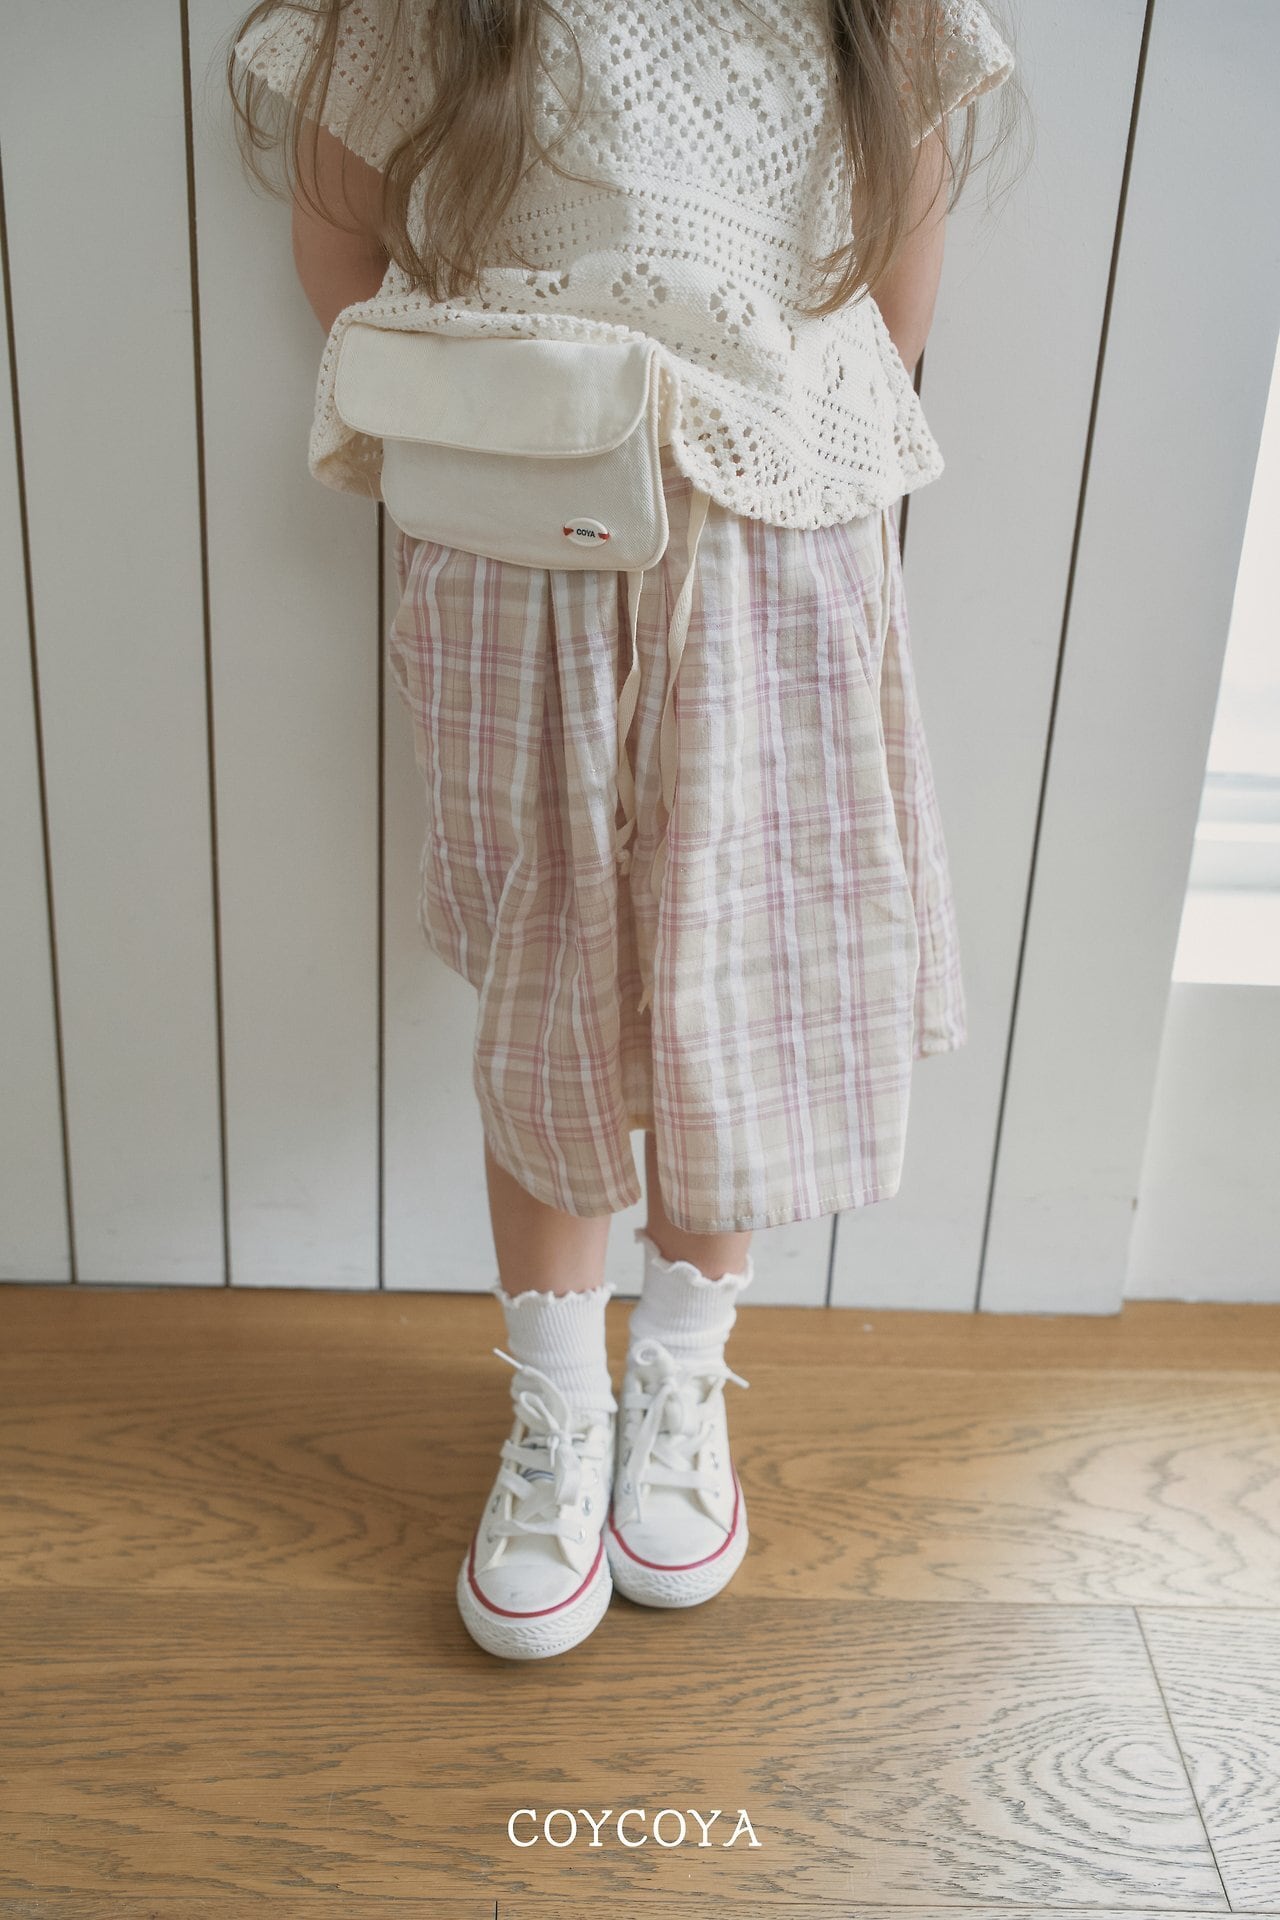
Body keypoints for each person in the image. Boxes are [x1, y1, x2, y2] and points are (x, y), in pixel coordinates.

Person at [229, 0, 1020, 1661]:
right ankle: (559, 1402)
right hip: (523, 528)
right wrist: (501, 418)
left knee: (739, 980)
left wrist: (775, 446)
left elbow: (900, 290)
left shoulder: (878, 19)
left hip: (781, 537)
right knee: (554, 992)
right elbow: (338, 235)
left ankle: (677, 1377)